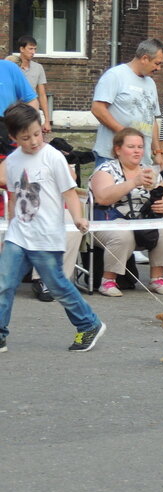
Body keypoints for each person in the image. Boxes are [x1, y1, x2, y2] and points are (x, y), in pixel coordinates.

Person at [0, 103, 105, 352]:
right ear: (13, 138)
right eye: (26, 138)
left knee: (57, 285)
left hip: (46, 236)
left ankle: (89, 324)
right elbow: (14, 197)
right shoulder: (13, 161)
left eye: (37, 134)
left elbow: (69, 193)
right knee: (4, 283)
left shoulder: (53, 157)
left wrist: (78, 218)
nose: (34, 141)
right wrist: (10, 229)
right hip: (19, 235)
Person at [90, 128, 163, 297]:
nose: (137, 151)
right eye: (131, 146)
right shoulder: (105, 170)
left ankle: (157, 278)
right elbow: (102, 198)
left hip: (142, 223)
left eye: (140, 146)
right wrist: (133, 182)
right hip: (107, 223)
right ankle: (107, 281)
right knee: (123, 234)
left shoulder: (151, 171)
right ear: (118, 149)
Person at [91, 38, 163, 168]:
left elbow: (151, 119)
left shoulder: (150, 83)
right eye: (157, 63)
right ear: (144, 58)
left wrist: (157, 151)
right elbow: (98, 109)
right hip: (113, 157)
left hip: (142, 159)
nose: (159, 68)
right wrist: (125, 134)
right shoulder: (115, 75)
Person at [17, 35, 51, 133]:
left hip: (32, 112)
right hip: (14, 113)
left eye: (35, 49)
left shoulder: (38, 68)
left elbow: (42, 95)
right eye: (30, 49)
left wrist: (47, 121)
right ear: (22, 49)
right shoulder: (12, 67)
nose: (33, 52)